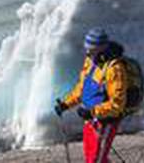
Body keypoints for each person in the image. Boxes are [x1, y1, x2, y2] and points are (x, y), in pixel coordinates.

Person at [54, 29, 130, 163]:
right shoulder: (91, 61)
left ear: (101, 49)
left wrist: (92, 111)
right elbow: (82, 88)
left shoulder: (115, 68)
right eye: (87, 48)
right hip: (90, 119)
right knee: (92, 158)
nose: (87, 52)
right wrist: (66, 104)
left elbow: (117, 104)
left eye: (91, 49)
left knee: (96, 160)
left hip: (106, 121)